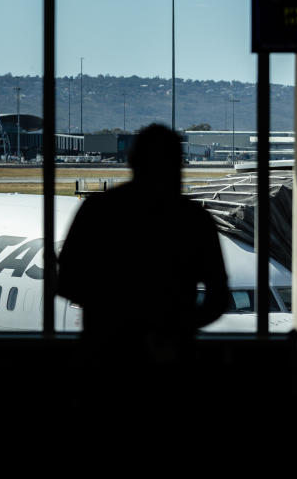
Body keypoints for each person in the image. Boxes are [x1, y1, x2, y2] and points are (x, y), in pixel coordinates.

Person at [57, 124, 229, 433]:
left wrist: (113, 313)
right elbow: (218, 297)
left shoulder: (97, 212)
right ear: (179, 164)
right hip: (172, 362)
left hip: (105, 359)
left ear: (132, 162)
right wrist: (175, 325)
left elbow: (66, 282)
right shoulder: (193, 220)